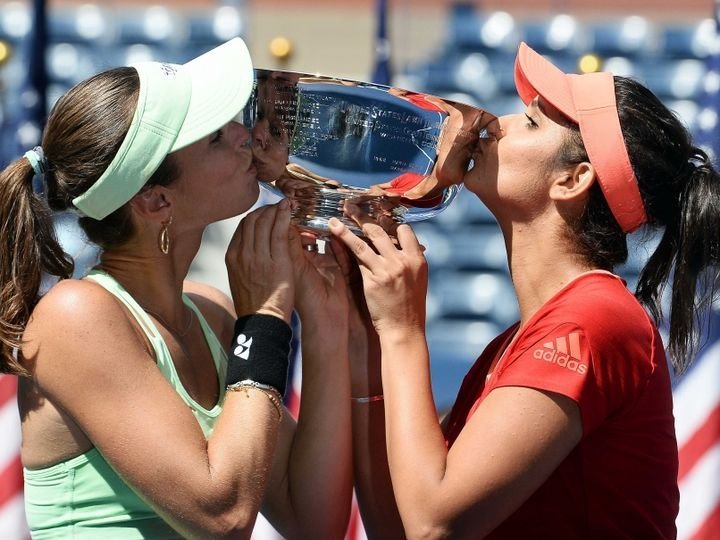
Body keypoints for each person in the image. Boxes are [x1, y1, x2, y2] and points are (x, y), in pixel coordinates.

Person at [330, 41, 720, 539]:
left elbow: (434, 521)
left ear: (573, 180)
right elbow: (401, 529)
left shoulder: (593, 319)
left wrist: (403, 333)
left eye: (531, 122)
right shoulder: (525, 337)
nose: (496, 122)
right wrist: (372, 337)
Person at [0, 38, 353, 538]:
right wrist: (266, 322)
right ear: (155, 201)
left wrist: (324, 325)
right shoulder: (74, 317)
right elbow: (222, 516)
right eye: (214, 136)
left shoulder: (213, 312)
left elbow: (315, 522)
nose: (243, 134)